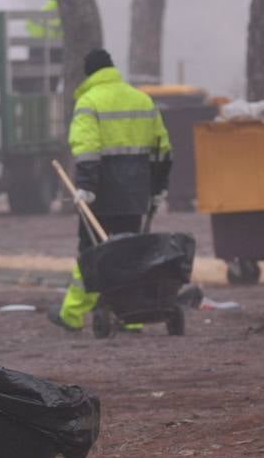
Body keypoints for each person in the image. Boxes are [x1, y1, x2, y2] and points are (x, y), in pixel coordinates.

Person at [49, 49, 172, 331]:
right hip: (135, 194)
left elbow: (87, 149)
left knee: (91, 253)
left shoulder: (89, 102)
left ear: (89, 74)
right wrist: (158, 188)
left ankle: (72, 314)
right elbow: (162, 149)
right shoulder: (142, 99)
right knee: (129, 251)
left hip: (101, 195)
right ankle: (132, 316)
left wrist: (86, 188)